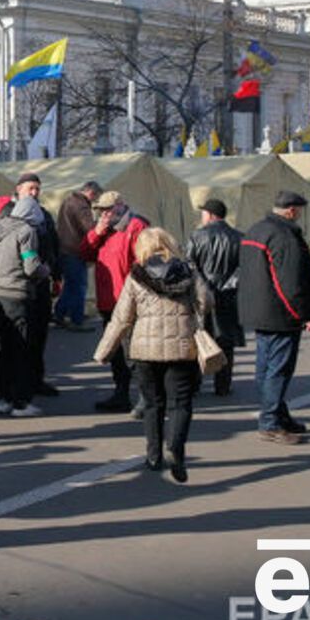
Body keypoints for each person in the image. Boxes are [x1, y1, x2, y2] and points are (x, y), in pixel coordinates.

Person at [95, 228, 208, 483]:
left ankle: (154, 456)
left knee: (152, 403)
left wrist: (104, 351)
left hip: (144, 349)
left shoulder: (137, 275)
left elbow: (122, 317)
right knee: (180, 403)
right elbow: (205, 301)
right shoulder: (188, 271)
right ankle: (176, 448)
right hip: (182, 348)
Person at [238, 191, 310, 445]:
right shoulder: (284, 236)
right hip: (280, 313)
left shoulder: (255, 230)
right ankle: (270, 421)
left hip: (259, 310)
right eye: (299, 211)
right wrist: (306, 314)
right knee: (278, 370)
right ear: (291, 211)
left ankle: (279, 415)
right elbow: (290, 282)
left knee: (266, 369)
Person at [0, 193, 51, 417]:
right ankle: (21, 402)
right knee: (21, 349)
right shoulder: (26, 232)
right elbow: (31, 267)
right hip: (19, 295)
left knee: (1, 349)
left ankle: (3, 398)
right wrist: (45, 271)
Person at [80, 191, 150, 413]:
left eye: (108, 210)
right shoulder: (103, 230)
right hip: (108, 300)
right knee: (116, 352)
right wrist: (96, 233)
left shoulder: (136, 227)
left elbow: (145, 262)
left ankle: (145, 398)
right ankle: (121, 394)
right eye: (101, 210)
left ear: (121, 206)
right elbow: (84, 253)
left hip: (129, 300)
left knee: (134, 351)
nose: (104, 214)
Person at [185, 199, 243, 396]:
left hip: (202, 296)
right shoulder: (238, 237)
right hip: (229, 296)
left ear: (210, 214)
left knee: (198, 338)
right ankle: (223, 386)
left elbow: (190, 266)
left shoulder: (197, 236)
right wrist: (228, 285)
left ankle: (194, 383)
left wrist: (203, 287)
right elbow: (244, 268)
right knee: (225, 342)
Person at [13, 172, 62, 397]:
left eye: (37, 189)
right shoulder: (8, 215)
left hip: (41, 283)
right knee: (19, 338)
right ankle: (16, 385)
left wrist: (57, 276)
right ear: (18, 189)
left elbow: (54, 245)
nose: (34, 193)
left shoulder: (44, 215)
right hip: (18, 286)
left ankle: (36, 380)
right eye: (30, 188)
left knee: (40, 334)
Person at [53, 180, 102, 331]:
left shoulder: (68, 200)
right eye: (95, 197)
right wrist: (101, 224)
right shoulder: (81, 205)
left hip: (64, 249)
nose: (94, 200)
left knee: (70, 285)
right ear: (90, 192)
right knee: (80, 285)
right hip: (75, 250)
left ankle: (59, 314)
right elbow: (90, 228)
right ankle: (77, 319)